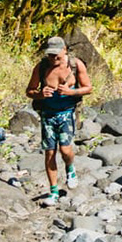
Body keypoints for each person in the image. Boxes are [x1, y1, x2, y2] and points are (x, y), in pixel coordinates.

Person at [26, 35, 92, 200]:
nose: (53, 58)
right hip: (47, 115)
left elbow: (88, 88)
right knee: (49, 153)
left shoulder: (76, 65)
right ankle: (54, 191)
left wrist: (71, 92)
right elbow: (29, 91)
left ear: (64, 50)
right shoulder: (41, 68)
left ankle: (70, 168)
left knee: (65, 149)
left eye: (57, 55)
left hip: (67, 113)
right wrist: (40, 94)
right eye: (50, 55)